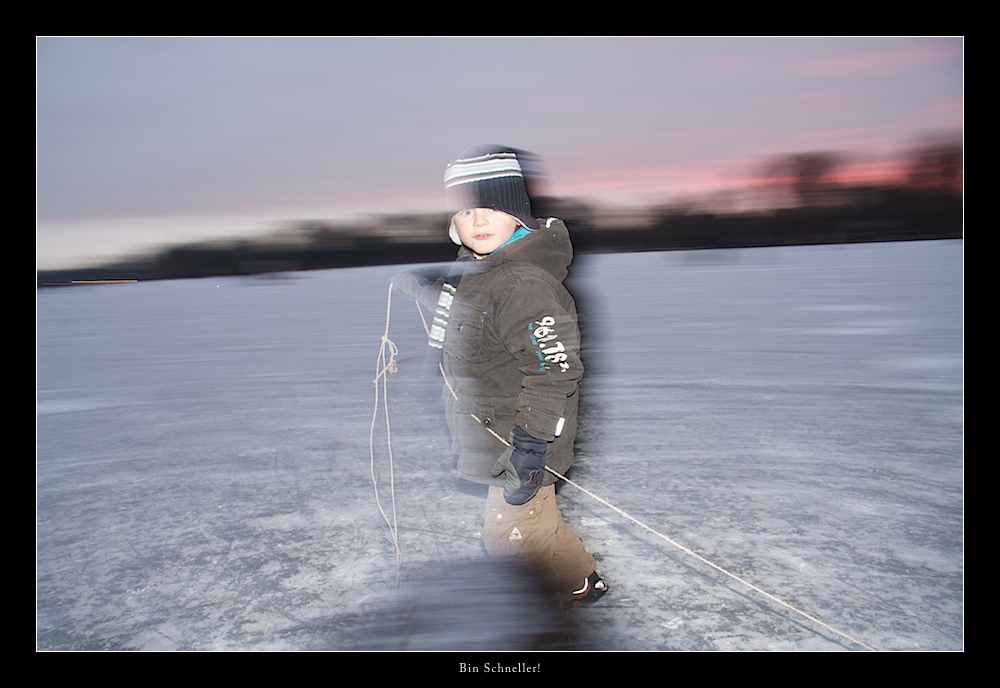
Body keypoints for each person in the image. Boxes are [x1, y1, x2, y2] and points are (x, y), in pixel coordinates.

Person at [394, 144, 606, 606]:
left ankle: (538, 623)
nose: (480, 221)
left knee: (509, 543)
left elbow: (555, 369)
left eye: (493, 208)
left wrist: (531, 447)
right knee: (539, 522)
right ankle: (582, 580)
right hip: (499, 434)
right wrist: (424, 292)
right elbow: (470, 312)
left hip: (523, 443)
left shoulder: (521, 283)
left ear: (518, 216)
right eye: (468, 211)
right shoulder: (482, 270)